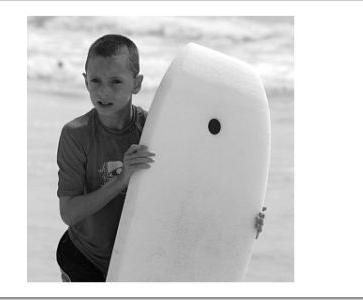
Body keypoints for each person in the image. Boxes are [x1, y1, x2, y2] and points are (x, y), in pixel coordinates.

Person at [56, 34, 266, 282]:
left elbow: (191, 186)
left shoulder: (155, 130)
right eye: (95, 80)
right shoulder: (76, 135)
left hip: (136, 261)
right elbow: (69, 213)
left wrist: (240, 217)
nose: (103, 91)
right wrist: (121, 180)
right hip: (84, 258)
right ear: (85, 81)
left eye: (115, 82)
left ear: (136, 84)